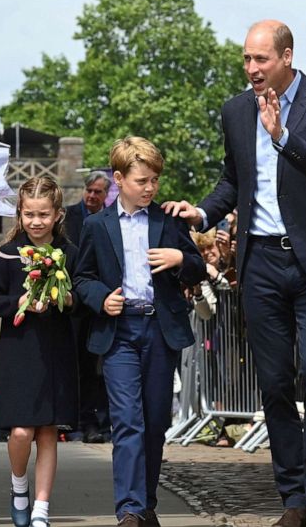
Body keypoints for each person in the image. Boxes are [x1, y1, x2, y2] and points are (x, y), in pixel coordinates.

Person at [164, 20, 306, 527]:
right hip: (260, 263)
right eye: (246, 60)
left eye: (261, 59)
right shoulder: (235, 112)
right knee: (275, 381)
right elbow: (233, 181)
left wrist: (282, 135)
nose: (252, 69)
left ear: (286, 56)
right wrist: (203, 214)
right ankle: (294, 499)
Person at [74, 137, 205, 527]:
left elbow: (198, 267)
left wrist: (182, 258)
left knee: (155, 421)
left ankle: (146, 503)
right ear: (120, 179)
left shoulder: (168, 221)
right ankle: (129, 509)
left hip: (160, 329)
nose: (151, 188)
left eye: (155, 181)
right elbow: (82, 277)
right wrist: (102, 299)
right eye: (143, 180)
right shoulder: (98, 225)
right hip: (120, 331)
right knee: (128, 419)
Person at [0, 177, 80, 527]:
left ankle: (41, 509)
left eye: (43, 214)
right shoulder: (8, 253)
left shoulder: (69, 251)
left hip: (55, 351)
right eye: (29, 215)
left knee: (49, 431)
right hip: (19, 352)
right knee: (21, 432)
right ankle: (19, 485)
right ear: (19, 215)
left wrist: (67, 298)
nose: (36, 222)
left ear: (58, 214)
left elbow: (81, 296)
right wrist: (18, 301)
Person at [63, 171, 113, 444]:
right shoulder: (68, 217)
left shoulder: (111, 218)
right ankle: (83, 422)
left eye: (98, 192)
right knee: (78, 365)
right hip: (75, 303)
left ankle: (103, 422)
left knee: (102, 366)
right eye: (90, 191)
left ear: (106, 194)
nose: (93, 196)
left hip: (102, 301)